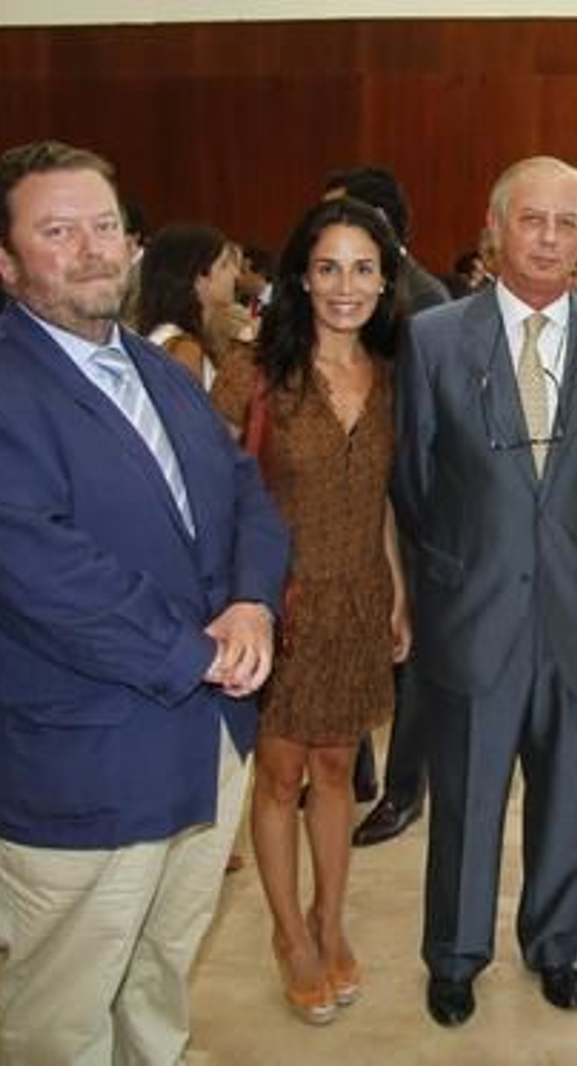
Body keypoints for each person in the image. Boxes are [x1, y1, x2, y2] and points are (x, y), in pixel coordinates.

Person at [0, 139, 290, 1064]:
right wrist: (203, 654)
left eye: (105, 226)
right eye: (57, 231)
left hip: (201, 742)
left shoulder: (155, 369)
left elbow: (244, 492)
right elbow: (44, 579)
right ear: (2, 260)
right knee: (65, 1003)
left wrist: (251, 603)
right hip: (76, 759)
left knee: (158, 970)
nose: (90, 249)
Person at [394, 155, 577, 1028]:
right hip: (474, 607)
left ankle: (555, 945)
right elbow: (415, 482)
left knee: (566, 797)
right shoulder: (434, 339)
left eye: (566, 224)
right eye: (530, 220)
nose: (547, 239)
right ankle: (456, 955)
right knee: (466, 796)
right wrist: (462, 563)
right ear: (495, 229)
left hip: (574, 609)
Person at [211, 196, 411, 1025]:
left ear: (386, 280)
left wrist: (398, 590)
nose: (345, 286)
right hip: (282, 604)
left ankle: (331, 920)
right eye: (328, 267)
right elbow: (213, 493)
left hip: (361, 598)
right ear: (300, 275)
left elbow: (384, 497)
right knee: (280, 776)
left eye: (363, 269)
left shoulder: (394, 374)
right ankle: (289, 934)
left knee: (337, 771)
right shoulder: (255, 371)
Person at [324, 163, 446, 846]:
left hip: (409, 503)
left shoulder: (421, 300)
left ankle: (405, 790)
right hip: (359, 496)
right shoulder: (358, 291)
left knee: (412, 654)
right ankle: (360, 766)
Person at [137, 223, 241, 388]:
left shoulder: (170, 336)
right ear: (198, 278)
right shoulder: (182, 350)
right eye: (224, 265)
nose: (236, 273)